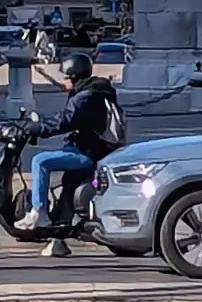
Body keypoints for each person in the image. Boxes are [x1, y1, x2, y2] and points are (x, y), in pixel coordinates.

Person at [16, 52, 122, 230]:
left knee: (40, 161)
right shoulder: (92, 91)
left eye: (66, 77)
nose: (63, 81)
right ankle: (56, 213)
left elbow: (65, 120)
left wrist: (38, 128)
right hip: (86, 147)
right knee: (54, 158)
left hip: (88, 153)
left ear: (74, 77)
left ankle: (39, 213)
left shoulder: (85, 97)